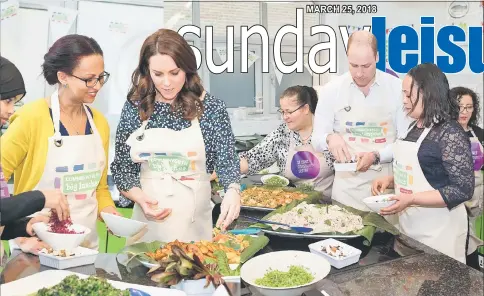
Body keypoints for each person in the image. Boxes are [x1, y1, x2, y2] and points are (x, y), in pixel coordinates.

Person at [110, 29, 241, 243]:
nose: (167, 83)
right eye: (158, 74)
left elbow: (226, 160)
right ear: (146, 71)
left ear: (187, 70)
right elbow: (123, 167)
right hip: (147, 227)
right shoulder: (136, 106)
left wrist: (233, 190)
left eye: (174, 72)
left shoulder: (211, 107)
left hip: (195, 228)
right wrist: (140, 199)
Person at [0, 35, 121, 250]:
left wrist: (109, 211)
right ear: (63, 77)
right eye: (89, 79)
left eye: (101, 77)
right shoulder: (31, 117)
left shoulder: (99, 123)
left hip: (85, 248)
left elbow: (99, 188)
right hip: (35, 245)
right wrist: (20, 235)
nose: (97, 85)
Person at [371, 63, 473, 263]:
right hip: (410, 232)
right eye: (403, 94)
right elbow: (427, 172)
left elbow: (462, 189)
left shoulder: (449, 132)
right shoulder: (413, 127)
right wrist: (392, 180)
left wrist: (411, 199)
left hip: (440, 235)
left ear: (429, 93)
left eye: (409, 95)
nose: (405, 101)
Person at [312, 30, 412, 212]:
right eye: (353, 65)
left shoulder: (397, 88)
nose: (359, 73)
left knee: (386, 237)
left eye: (366, 66)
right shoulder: (331, 90)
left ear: (377, 57)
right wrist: (329, 138)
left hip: (386, 185)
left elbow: (404, 141)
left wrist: (376, 155)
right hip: (346, 187)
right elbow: (316, 138)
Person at [239, 85, 334, 197]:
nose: (285, 117)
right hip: (292, 204)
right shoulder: (283, 133)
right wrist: (222, 169)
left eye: (289, 112)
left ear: (305, 109)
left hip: (327, 207)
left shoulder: (328, 131)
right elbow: (253, 159)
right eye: (282, 112)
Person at [450, 86, 484, 259]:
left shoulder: (478, 133)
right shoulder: (444, 134)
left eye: (469, 107)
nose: (464, 112)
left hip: (475, 204)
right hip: (453, 204)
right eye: (459, 106)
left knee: (470, 248)